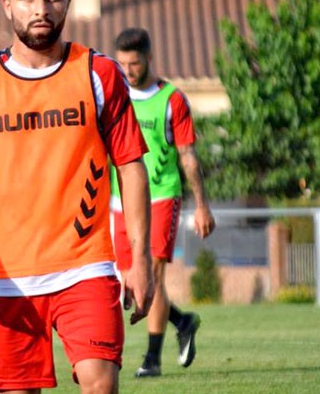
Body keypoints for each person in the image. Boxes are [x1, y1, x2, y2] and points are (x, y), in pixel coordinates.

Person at [0, 0, 154, 393]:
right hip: (6, 278)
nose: (41, 8)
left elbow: (130, 166)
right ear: (7, 5)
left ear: (67, 3)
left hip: (84, 268)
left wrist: (140, 256)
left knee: (100, 383)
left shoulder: (98, 73)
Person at [110, 28, 216, 378]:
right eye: (122, 63)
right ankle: (183, 321)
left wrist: (201, 204)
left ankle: (152, 360)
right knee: (130, 281)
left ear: (149, 58)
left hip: (162, 195)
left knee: (151, 272)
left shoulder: (172, 99)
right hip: (120, 200)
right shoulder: (114, 96)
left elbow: (187, 155)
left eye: (135, 63)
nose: (128, 70)